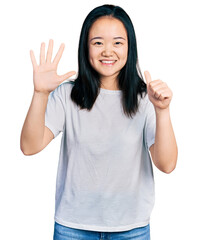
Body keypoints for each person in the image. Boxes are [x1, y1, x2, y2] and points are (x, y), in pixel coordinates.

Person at [20, 4, 178, 240]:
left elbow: (167, 164)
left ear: (129, 47)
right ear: (86, 47)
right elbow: (29, 147)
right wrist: (40, 93)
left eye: (117, 42)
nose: (107, 51)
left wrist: (162, 111)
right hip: (72, 228)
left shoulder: (147, 98)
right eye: (98, 42)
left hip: (131, 229)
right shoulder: (68, 95)